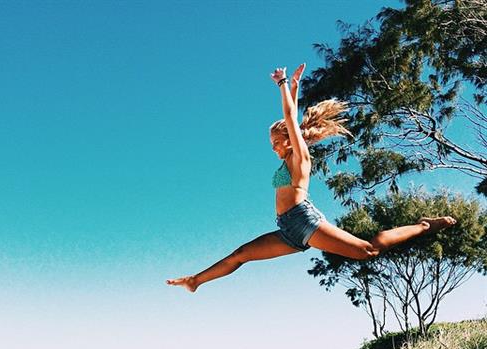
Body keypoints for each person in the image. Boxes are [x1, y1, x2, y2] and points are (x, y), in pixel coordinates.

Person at [166, 64, 456, 293]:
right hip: (287, 229)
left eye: (276, 142)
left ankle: (423, 225)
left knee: (368, 250)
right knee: (240, 254)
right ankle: (195, 280)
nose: (274, 148)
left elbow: (290, 119)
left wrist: (283, 86)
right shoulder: (289, 155)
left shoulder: (299, 156)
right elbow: (291, 121)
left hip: (304, 220)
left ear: (289, 141)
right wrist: (294, 88)